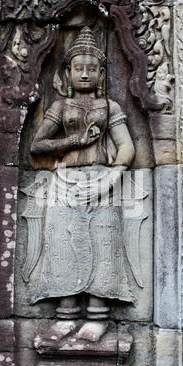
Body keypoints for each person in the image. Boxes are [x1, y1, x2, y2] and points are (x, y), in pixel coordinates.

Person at [30, 27, 136, 342]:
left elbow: (126, 146)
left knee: (103, 245)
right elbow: (38, 145)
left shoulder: (110, 107)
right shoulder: (60, 107)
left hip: (104, 180)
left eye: (92, 69)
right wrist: (75, 139)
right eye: (79, 68)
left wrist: (112, 178)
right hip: (65, 181)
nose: (85, 74)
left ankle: (98, 314)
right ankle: (65, 313)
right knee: (63, 245)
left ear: (102, 73)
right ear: (68, 72)